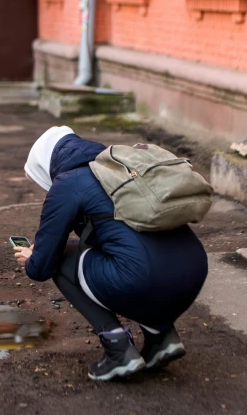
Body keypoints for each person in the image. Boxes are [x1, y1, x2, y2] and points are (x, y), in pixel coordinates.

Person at [15, 126, 208, 381]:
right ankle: (161, 338)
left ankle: (118, 350)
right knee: (125, 251)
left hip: (143, 278)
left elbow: (41, 268)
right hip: (193, 272)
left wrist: (33, 258)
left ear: (47, 165)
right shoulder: (117, 166)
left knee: (62, 258)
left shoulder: (68, 183)